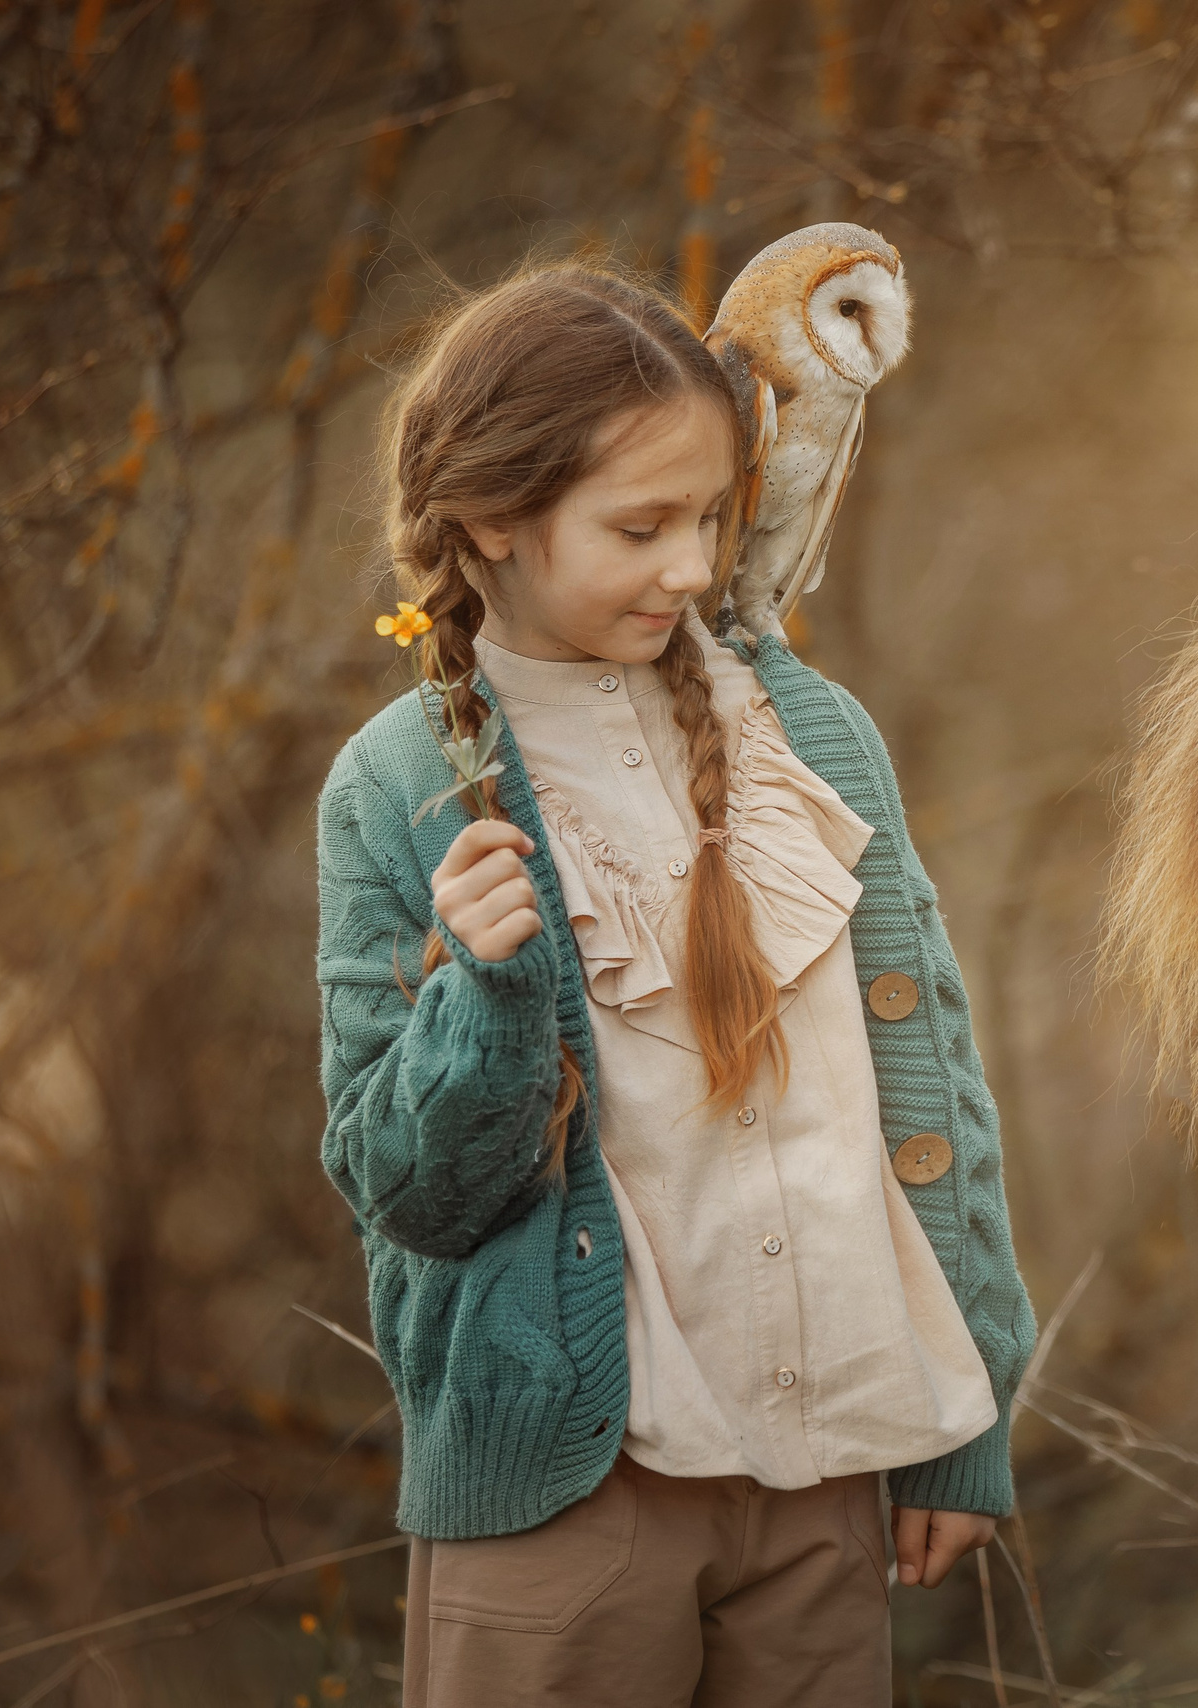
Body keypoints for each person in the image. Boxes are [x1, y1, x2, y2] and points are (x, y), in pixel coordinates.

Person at [314, 261, 1034, 1703]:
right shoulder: (401, 783)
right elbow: (407, 1191)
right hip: (563, 1496)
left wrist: (970, 1413)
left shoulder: (812, 735)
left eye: (711, 518)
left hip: (830, 1458)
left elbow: (927, 1081)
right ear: (491, 523)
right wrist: (488, 987)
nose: (694, 569)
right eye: (640, 528)